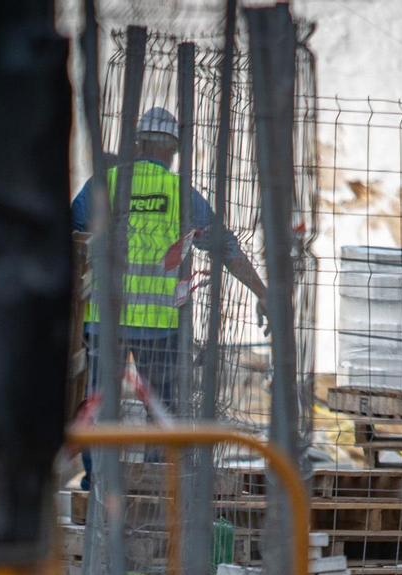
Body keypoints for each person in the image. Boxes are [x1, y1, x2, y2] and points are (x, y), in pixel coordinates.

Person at [71, 106, 268, 417]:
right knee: (161, 410)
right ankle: (158, 465)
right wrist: (263, 293)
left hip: (104, 319)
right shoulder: (181, 194)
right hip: (159, 327)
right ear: (174, 150)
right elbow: (226, 248)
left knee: (95, 409)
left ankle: (95, 467)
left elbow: (72, 234)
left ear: (138, 145)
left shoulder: (104, 183)